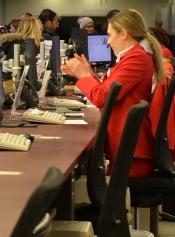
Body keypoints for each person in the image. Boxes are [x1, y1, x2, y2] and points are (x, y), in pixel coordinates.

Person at [61, 9, 168, 178]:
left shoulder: (136, 59)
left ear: (123, 34)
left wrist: (84, 76)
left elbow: (102, 97)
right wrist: (88, 74)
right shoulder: (133, 57)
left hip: (132, 155)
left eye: (110, 35)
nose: (108, 42)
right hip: (127, 149)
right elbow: (108, 92)